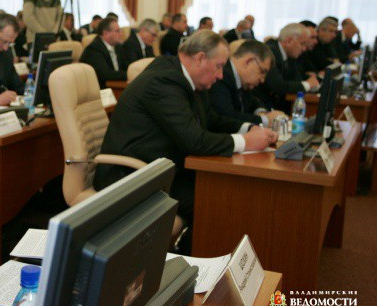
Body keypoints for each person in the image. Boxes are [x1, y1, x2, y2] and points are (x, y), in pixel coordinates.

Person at [93, 30, 277, 254]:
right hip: (130, 175)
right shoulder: (164, 81)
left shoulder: (186, 78)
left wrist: (247, 128)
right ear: (200, 58)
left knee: (220, 191)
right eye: (219, 66)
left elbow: (210, 118)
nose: (221, 75)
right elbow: (195, 141)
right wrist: (246, 142)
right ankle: (194, 263)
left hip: (159, 166)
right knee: (213, 199)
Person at [209, 40, 284, 125]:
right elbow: (227, 116)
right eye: (262, 72)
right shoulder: (222, 75)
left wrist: (261, 112)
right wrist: (265, 119)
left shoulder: (243, 81)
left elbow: (253, 101)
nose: (262, 80)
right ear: (248, 61)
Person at [254, 23, 319, 111]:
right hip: (263, 106)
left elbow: (297, 78)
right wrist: (308, 84)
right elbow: (277, 86)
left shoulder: (290, 55)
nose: (304, 49)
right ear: (288, 41)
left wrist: (313, 80)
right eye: (302, 44)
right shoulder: (270, 52)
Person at [79, 17, 128, 88]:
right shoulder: (93, 49)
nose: (121, 34)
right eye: (117, 31)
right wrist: (129, 74)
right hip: (101, 89)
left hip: (116, 86)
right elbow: (106, 75)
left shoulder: (118, 47)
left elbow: (126, 66)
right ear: (106, 33)